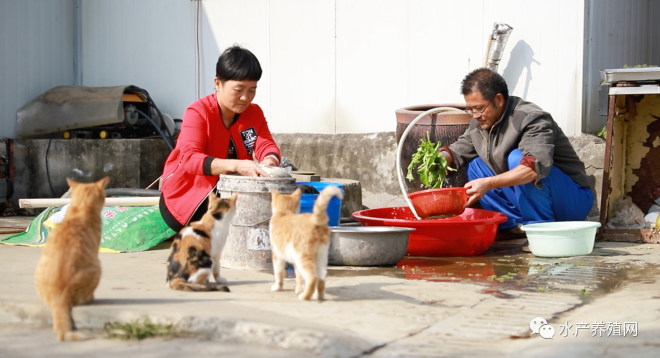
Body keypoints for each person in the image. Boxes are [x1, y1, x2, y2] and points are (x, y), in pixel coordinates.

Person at [441, 68, 594, 238]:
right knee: (476, 166)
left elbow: (533, 168)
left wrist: (488, 183)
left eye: (479, 108)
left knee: (518, 160)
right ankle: (510, 226)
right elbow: (459, 149)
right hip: (533, 199)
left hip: (571, 201)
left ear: (498, 100)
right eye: (470, 109)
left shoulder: (531, 118)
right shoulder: (479, 123)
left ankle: (540, 229)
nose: (475, 115)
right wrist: (441, 159)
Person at [159, 45, 281, 231]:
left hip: (228, 192)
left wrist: (269, 161)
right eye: (238, 89)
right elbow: (189, 159)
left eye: (252, 90)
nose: (245, 98)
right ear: (217, 83)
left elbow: (266, 144)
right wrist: (237, 165)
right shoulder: (198, 112)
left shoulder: (254, 113)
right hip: (187, 200)